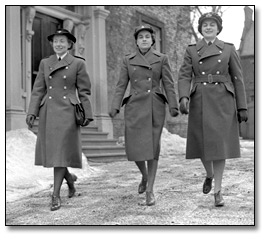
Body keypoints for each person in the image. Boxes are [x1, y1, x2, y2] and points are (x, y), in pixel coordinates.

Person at [178, 12, 248, 207]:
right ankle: (209, 174)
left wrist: (242, 105)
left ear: (218, 28)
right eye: (205, 25)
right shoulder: (192, 50)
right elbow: (184, 75)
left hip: (223, 101)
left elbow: (238, 78)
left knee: (219, 148)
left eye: (212, 24)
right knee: (200, 145)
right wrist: (183, 96)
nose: (208, 27)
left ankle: (218, 191)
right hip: (200, 98)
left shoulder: (228, 49)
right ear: (200, 28)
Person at [109, 24, 179, 206]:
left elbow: (169, 84)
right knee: (133, 149)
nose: (144, 39)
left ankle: (150, 191)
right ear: (136, 41)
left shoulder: (162, 59)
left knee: (152, 149)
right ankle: (145, 175)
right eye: (141, 37)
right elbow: (120, 85)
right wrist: (115, 105)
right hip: (134, 106)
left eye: (147, 36)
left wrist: (173, 105)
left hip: (154, 105)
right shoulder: (128, 60)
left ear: (152, 40)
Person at [26, 29, 93, 211]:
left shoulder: (78, 63)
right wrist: (32, 111)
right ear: (52, 43)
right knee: (56, 153)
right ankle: (69, 179)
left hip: (68, 112)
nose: (59, 44)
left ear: (70, 44)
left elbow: (84, 90)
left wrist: (88, 113)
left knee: (60, 153)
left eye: (62, 41)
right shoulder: (45, 63)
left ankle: (55, 195)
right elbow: (38, 89)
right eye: (56, 41)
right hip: (49, 111)